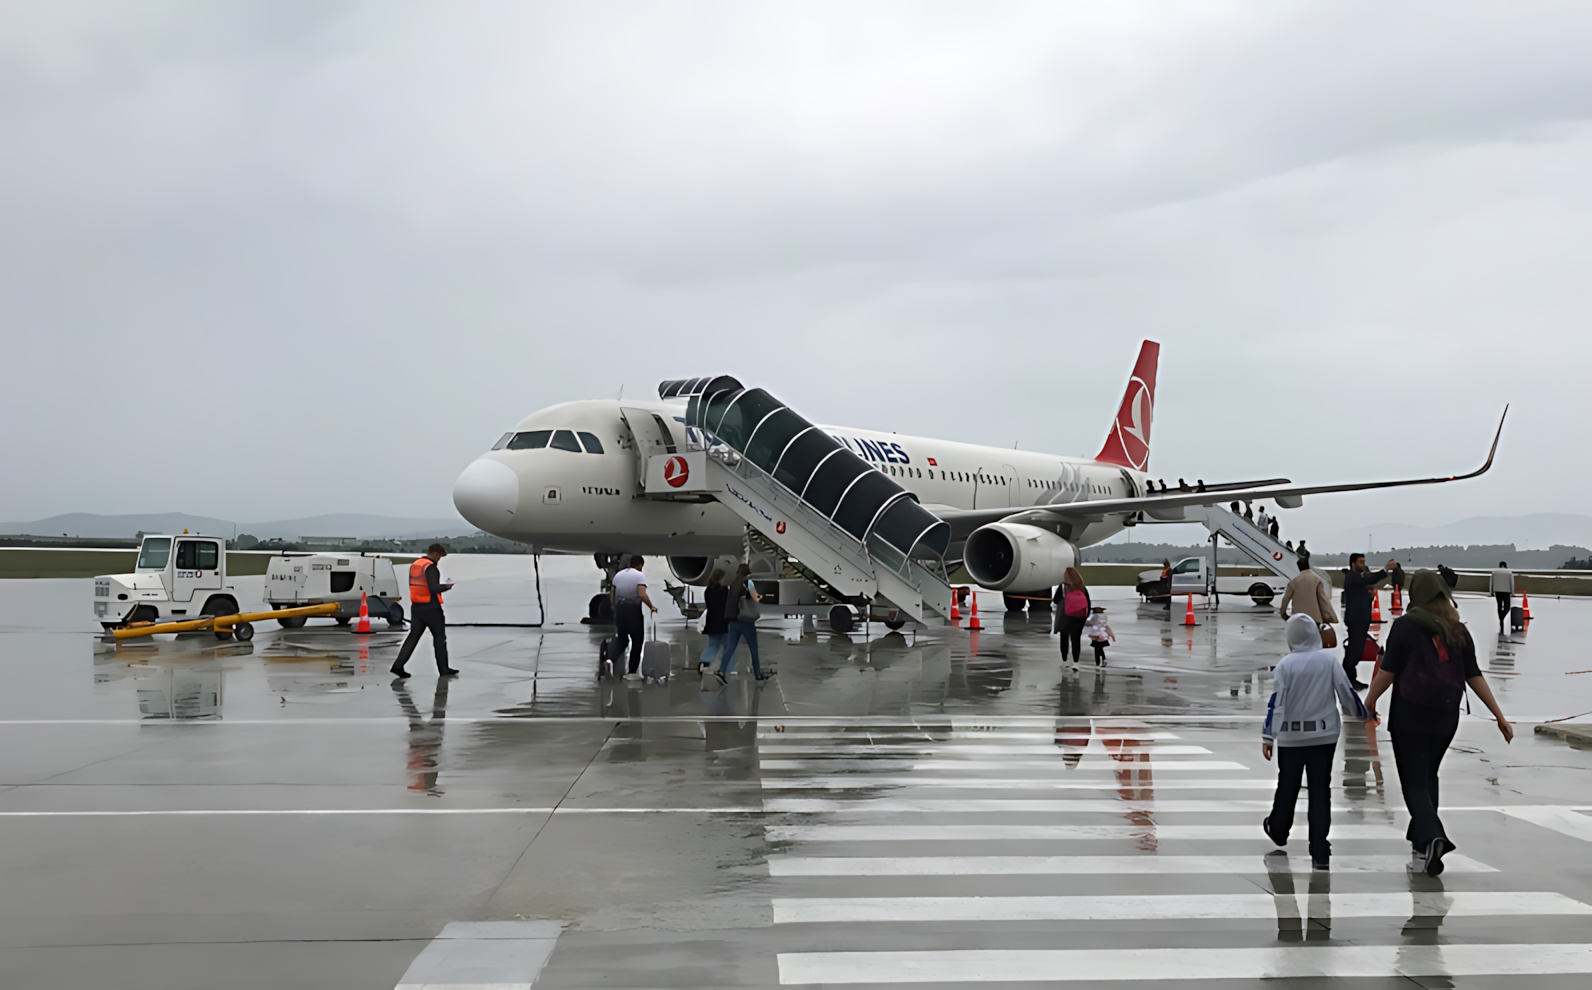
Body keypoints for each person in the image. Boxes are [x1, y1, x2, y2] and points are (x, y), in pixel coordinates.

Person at [1364, 570, 1513, 876]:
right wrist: (1499, 716)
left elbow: (1388, 672)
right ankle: (1421, 842)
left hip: (1410, 714)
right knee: (1429, 773)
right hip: (1447, 716)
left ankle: (1434, 836)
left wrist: (1368, 702)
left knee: (1413, 781)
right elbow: (1474, 676)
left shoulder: (1405, 627)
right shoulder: (1458, 629)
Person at [1262, 614, 1369, 870]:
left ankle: (1278, 829)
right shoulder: (1328, 661)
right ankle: (1319, 848)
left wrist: (1269, 735)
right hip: (1324, 735)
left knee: (1287, 784)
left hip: (1290, 738)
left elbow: (1277, 704)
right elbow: (1346, 692)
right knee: (1320, 788)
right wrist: (1363, 714)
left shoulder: (1285, 665)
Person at [392, 544, 459, 678]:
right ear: (435, 553)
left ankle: (398, 666)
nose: (439, 559)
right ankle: (443, 669)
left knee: (413, 637)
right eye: (439, 556)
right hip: (431, 608)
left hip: (417, 606)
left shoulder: (416, 564)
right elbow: (434, 587)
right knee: (439, 639)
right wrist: (446, 586)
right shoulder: (430, 567)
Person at [1340, 554, 1392, 690]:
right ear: (1353, 563)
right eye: (1360, 562)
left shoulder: (1357, 577)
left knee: (1357, 649)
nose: (1363, 564)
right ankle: (1347, 678)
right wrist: (1385, 570)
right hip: (1355, 619)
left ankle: (1351, 677)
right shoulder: (1352, 575)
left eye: (1364, 561)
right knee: (1354, 650)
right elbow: (1371, 578)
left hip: (1361, 619)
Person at [716, 563, 767, 683]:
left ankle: (721, 671)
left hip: (734, 620)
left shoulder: (734, 584)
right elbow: (755, 598)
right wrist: (762, 596)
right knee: (753, 649)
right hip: (746, 620)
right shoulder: (748, 583)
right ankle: (758, 675)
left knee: (730, 648)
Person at [611, 555, 658, 681]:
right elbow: (642, 594)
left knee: (622, 639)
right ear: (640, 565)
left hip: (620, 610)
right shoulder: (639, 576)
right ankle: (632, 672)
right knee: (637, 642)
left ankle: (610, 661)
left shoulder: (618, 575)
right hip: (633, 611)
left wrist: (615, 609)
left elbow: (613, 595)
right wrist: (651, 606)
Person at [1279, 560, 1338, 625]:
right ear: (1308, 566)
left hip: (1298, 617)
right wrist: (1328, 616)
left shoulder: (1293, 582)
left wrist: (1283, 614)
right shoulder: (1317, 580)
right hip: (1315, 618)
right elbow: (1323, 599)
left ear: (1298, 567)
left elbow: (1285, 599)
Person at [1052, 567, 1090, 665]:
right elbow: (1088, 602)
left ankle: (1064, 661)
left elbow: (1056, 600)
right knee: (1076, 639)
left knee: (1064, 639)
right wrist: (1085, 616)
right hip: (1079, 617)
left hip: (1065, 616)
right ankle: (1076, 662)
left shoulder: (1064, 587)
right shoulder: (1081, 587)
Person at [699, 568, 729, 671]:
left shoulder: (708, 590)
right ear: (721, 578)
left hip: (712, 621)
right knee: (727, 645)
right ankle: (728, 666)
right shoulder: (724, 590)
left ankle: (704, 662)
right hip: (723, 621)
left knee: (713, 644)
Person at [1490, 561, 1514, 633]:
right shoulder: (1509, 572)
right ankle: (1502, 618)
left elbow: (1491, 582)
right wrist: (1512, 593)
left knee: (1499, 606)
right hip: (1506, 592)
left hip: (1498, 591)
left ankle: (1501, 619)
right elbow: (1512, 583)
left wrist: (1491, 592)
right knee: (1507, 607)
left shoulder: (1494, 572)